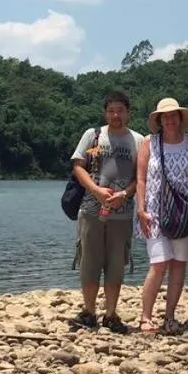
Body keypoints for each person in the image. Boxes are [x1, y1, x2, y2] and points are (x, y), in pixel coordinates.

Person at [68, 91, 143, 333]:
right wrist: (96, 189)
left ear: (128, 112)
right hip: (91, 210)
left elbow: (140, 178)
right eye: (111, 110)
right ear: (105, 112)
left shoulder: (138, 141)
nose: (116, 115)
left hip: (122, 213)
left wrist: (125, 194)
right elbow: (78, 166)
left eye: (120, 110)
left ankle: (111, 314)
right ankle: (89, 312)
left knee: (115, 265)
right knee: (89, 263)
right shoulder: (93, 136)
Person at [135, 98, 188, 334]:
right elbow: (141, 178)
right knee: (159, 263)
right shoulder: (149, 142)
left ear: (180, 118)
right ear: (159, 120)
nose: (170, 120)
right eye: (165, 116)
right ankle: (145, 317)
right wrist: (141, 209)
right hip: (154, 211)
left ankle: (170, 317)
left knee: (178, 264)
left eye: (174, 115)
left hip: (184, 212)